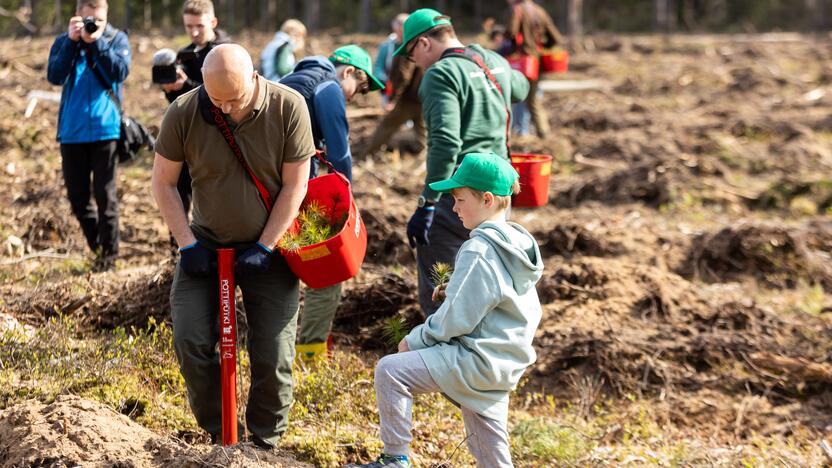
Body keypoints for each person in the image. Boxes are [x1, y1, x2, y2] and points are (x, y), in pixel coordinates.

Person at [151, 44, 315, 448]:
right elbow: (164, 182)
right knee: (190, 340)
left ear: (254, 78)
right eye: (216, 100)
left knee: (273, 355)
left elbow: (297, 184)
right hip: (205, 244)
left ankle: (263, 443)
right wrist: (187, 244)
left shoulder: (288, 107)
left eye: (233, 99)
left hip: (269, 250)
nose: (223, 109)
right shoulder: (185, 111)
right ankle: (219, 432)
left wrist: (266, 244)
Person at [349, 153, 544, 468]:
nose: (453, 208)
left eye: (459, 199)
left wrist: (417, 339)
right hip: (503, 359)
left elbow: (458, 318)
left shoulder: (479, 249)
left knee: (391, 371)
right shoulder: (516, 246)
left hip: (476, 357)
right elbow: (497, 299)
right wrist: (455, 289)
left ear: (488, 199)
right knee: (490, 451)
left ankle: (394, 459)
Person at [395, 8, 529, 316]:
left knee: (442, 284)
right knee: (489, 270)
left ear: (425, 43)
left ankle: (443, 351)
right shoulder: (491, 60)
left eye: (411, 53)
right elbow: (521, 87)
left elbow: (445, 143)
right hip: (499, 189)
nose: (413, 61)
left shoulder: (440, 75)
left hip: (460, 192)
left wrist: (427, 203)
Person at [279, 45, 385, 359]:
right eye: (361, 87)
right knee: (326, 263)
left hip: (266, 187)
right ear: (348, 71)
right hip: (293, 187)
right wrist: (345, 199)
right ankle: (311, 353)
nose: (356, 96)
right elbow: (340, 153)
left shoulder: (291, 79)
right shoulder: (328, 85)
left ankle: (280, 351)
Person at [47, 0, 131, 271]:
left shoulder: (116, 39)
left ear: (106, 17)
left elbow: (120, 71)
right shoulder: (65, 41)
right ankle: (99, 249)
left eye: (99, 19)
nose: (94, 24)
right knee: (78, 197)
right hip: (72, 131)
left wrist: (96, 42)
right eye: (88, 19)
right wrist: (73, 42)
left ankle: (109, 259)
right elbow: (54, 75)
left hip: (105, 129)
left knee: (105, 196)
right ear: (78, 16)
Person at [157, 0, 230, 219]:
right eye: (189, 26)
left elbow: (224, 94)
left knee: (215, 194)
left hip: (221, 134)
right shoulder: (185, 54)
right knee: (179, 189)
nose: (194, 31)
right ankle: (179, 244)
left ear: (213, 22)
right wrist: (170, 88)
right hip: (187, 133)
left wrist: (188, 85)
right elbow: (177, 101)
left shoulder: (226, 52)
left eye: (199, 25)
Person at [364, 20, 426, 159]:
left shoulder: (407, 48)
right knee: (422, 129)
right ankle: (422, 156)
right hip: (422, 97)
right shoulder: (421, 45)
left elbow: (403, 76)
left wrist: (392, 99)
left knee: (386, 127)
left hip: (408, 99)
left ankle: (367, 154)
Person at [504, 0, 564, 138]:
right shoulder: (540, 11)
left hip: (522, 62)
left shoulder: (517, 10)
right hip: (538, 62)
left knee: (520, 97)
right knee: (534, 98)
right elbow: (555, 37)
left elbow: (511, 33)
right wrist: (541, 46)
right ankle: (541, 133)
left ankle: (524, 132)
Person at [374, 13, 407, 108]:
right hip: (390, 88)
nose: (402, 31)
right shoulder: (386, 47)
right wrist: (384, 83)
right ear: (395, 28)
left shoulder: (414, 46)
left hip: (410, 92)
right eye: (399, 26)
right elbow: (378, 66)